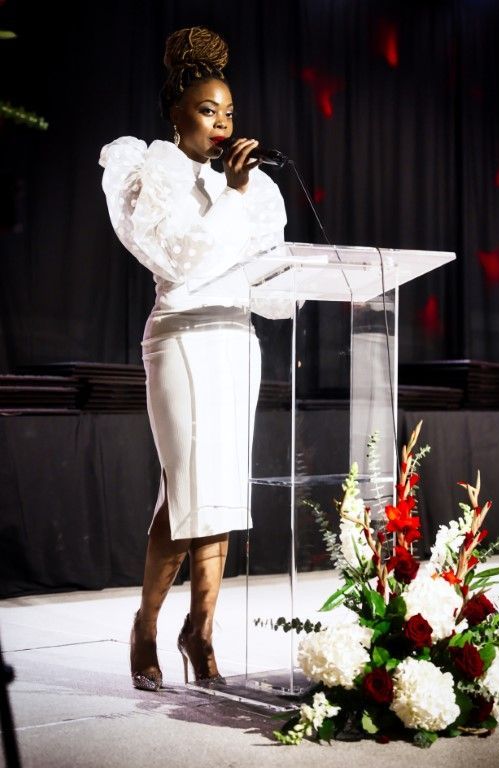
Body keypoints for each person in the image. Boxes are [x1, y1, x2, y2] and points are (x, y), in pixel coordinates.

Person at [98, 26, 287, 690]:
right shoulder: (150, 172)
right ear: (176, 113)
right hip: (181, 337)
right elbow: (183, 262)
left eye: (229, 112)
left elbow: (269, 279)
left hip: (237, 338)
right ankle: (147, 627)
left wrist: (288, 273)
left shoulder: (256, 189)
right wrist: (231, 196)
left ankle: (200, 632)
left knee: (224, 492)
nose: (223, 123)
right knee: (187, 489)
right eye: (208, 110)